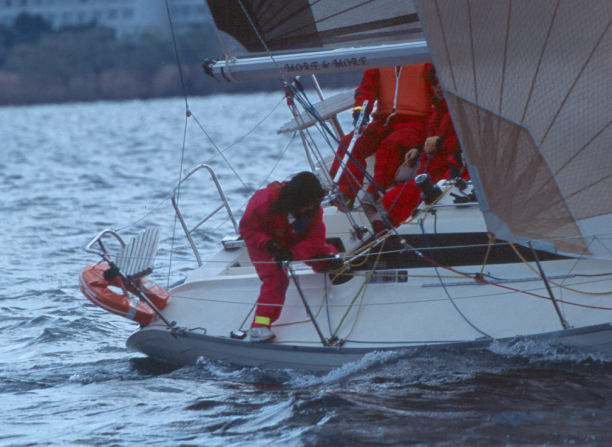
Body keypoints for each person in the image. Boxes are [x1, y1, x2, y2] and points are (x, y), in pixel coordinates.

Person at [239, 172, 341, 342]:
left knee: (327, 257)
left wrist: (293, 254)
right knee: (276, 280)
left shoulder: (313, 209)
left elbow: (315, 240)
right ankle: (260, 325)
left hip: (292, 238)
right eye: (307, 205)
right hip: (265, 244)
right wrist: (268, 244)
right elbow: (247, 230)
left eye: (313, 204)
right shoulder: (262, 202)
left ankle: (332, 267)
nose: (310, 209)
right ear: (296, 200)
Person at [328, 63, 434, 211]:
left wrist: (429, 133)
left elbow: (435, 96)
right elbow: (366, 90)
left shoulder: (425, 62)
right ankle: (346, 193)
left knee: (391, 145)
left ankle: (373, 192)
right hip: (382, 121)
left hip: (414, 122)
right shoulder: (381, 61)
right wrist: (360, 112)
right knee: (349, 142)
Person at [376, 66, 462, 228]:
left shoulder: (460, 110)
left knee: (393, 199)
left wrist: (440, 144)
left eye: (441, 81)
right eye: (434, 82)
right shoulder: (437, 111)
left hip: (446, 176)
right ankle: (409, 229)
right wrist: (417, 148)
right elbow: (426, 136)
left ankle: (412, 230)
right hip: (429, 174)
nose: (438, 86)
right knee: (390, 199)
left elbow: (468, 145)